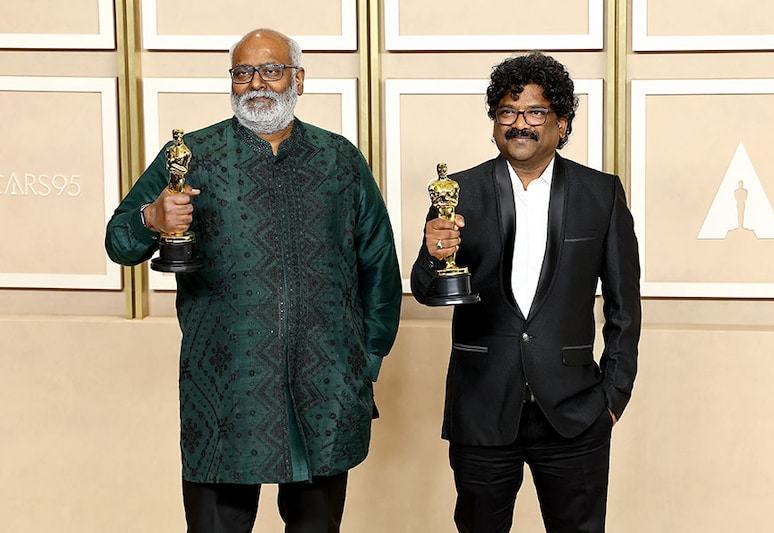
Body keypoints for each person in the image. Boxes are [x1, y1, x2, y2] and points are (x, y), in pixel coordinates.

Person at [106, 28, 402, 533]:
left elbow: (379, 266)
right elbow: (119, 241)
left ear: (298, 80)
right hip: (225, 389)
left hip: (325, 387)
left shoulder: (339, 159)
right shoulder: (192, 154)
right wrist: (151, 219)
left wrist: (366, 361)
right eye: (243, 73)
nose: (256, 84)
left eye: (271, 70)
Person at [410, 52, 641, 532]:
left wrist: (612, 397)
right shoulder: (456, 191)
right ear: (495, 122)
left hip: (576, 411)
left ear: (562, 122)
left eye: (535, 112)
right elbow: (427, 291)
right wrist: (432, 256)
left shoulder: (600, 193)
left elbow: (625, 306)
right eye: (507, 113)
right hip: (482, 406)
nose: (520, 124)